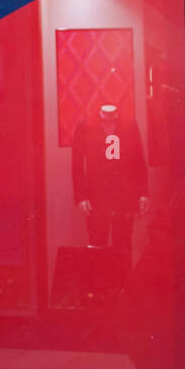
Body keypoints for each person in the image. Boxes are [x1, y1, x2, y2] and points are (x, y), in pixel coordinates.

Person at [72, 104, 149, 283]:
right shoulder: (85, 126)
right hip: (97, 196)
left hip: (124, 195)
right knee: (97, 243)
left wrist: (143, 193)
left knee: (123, 244)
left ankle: (122, 288)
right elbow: (77, 164)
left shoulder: (129, 125)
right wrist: (81, 196)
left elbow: (138, 160)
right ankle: (98, 287)